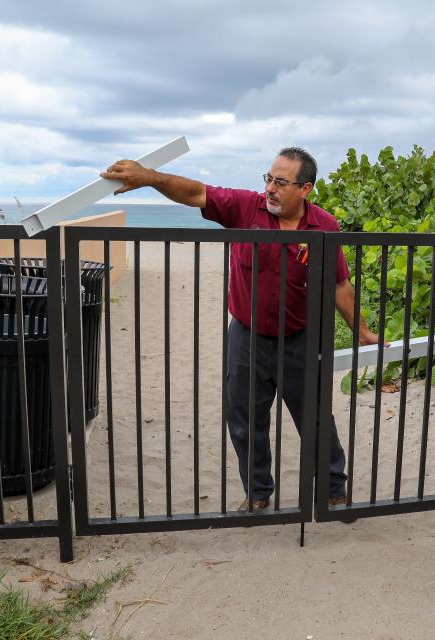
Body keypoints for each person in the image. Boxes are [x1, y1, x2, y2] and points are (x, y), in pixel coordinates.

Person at [101, 147, 377, 513]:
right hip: (247, 338)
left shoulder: (324, 226)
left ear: (306, 188)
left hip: (300, 339)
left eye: (281, 182)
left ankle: (332, 490)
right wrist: (151, 178)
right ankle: (258, 494)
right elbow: (197, 193)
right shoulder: (246, 209)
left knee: (315, 418)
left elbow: (339, 284)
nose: (271, 189)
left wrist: (363, 332)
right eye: (269, 178)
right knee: (245, 422)